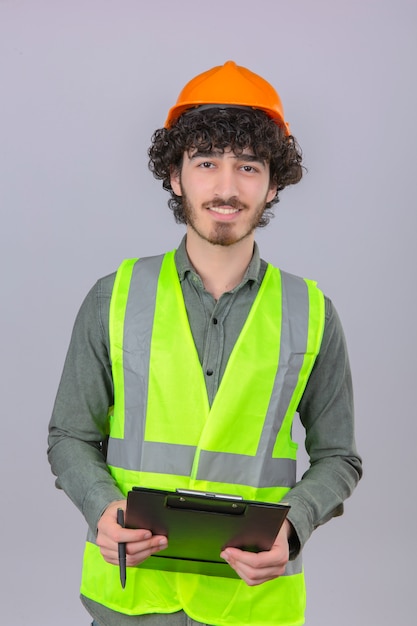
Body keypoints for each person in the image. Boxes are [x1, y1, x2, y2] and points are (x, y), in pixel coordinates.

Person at [48, 60, 362, 626]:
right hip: (133, 598)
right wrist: (102, 507)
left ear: (272, 184)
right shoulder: (112, 297)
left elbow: (338, 456)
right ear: (176, 176)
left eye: (248, 166)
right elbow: (70, 435)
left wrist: (293, 525)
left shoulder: (312, 313)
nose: (226, 187)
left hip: (251, 604)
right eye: (206, 162)